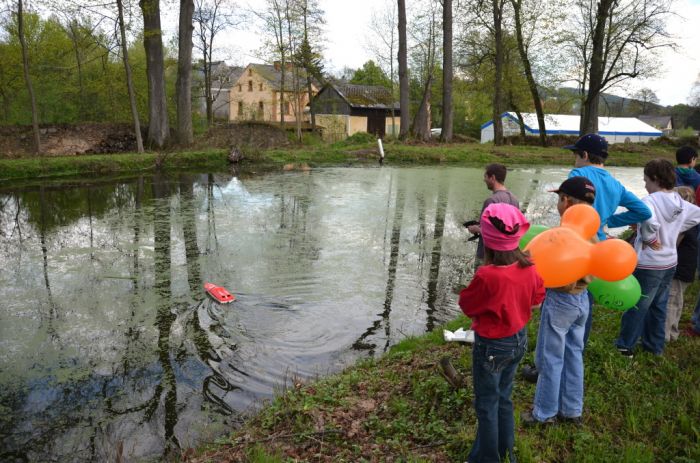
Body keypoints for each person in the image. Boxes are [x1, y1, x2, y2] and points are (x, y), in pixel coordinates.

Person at [521, 134, 650, 383]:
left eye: (576, 154)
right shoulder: (614, 183)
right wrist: (608, 221)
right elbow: (643, 211)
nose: (574, 159)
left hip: (572, 250)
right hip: (598, 250)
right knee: (583, 304)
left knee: (558, 305)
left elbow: (569, 213)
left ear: (585, 156)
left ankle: (544, 367)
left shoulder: (577, 178)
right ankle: (574, 356)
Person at [459, 203, 545, 463]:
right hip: (519, 340)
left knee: (486, 405)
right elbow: (537, 299)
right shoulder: (529, 266)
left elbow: (467, 305)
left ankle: (488, 459)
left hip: (492, 346)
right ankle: (505, 452)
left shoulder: (487, 275)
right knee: (504, 398)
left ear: (488, 240)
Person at [521, 177, 596, 426]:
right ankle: (572, 410)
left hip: (562, 299)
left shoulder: (566, 234)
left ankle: (544, 414)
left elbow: (560, 275)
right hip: (582, 299)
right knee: (574, 354)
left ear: (565, 201)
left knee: (550, 357)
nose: (557, 204)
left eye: (558, 198)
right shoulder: (591, 232)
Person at [616, 159, 700, 357]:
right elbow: (696, 215)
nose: (645, 185)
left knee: (637, 305)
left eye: (646, 180)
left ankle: (625, 346)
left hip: (649, 264)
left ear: (655, 179)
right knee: (659, 305)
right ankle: (654, 347)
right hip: (670, 262)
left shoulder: (649, 201)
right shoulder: (680, 200)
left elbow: (651, 223)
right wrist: (676, 228)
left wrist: (649, 238)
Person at [466, 163, 519, 269]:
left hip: (487, 257)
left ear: (492, 178)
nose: (484, 180)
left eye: (485, 176)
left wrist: (475, 228)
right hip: (506, 257)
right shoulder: (514, 199)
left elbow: (490, 233)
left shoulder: (491, 201)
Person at [664, 186, 699, 343]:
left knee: (671, 301)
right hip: (687, 269)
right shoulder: (693, 219)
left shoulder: (684, 222)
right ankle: (672, 332)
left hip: (680, 268)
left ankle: (666, 335)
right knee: (677, 300)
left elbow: (673, 244)